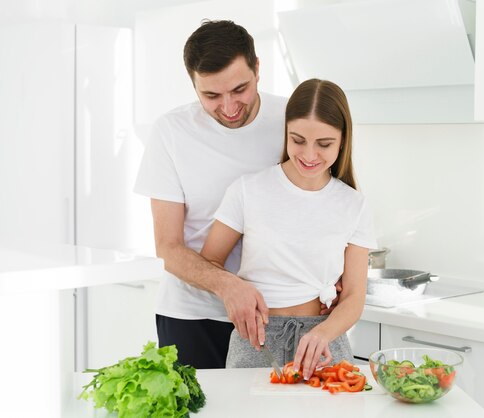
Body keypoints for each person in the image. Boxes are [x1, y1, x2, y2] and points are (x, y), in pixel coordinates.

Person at [134, 19, 297, 369]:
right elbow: (168, 246)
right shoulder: (171, 132)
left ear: (257, 68)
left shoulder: (292, 120)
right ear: (193, 85)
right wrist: (227, 285)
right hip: (192, 317)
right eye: (211, 95)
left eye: (240, 89)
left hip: (279, 315)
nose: (229, 107)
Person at [200, 78, 377, 380]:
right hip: (255, 341)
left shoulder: (353, 204)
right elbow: (209, 262)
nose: (309, 155)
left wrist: (323, 333)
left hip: (323, 342)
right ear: (285, 134)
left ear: (343, 140)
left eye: (324, 144)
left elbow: (354, 297)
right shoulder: (248, 190)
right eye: (297, 140)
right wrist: (234, 291)